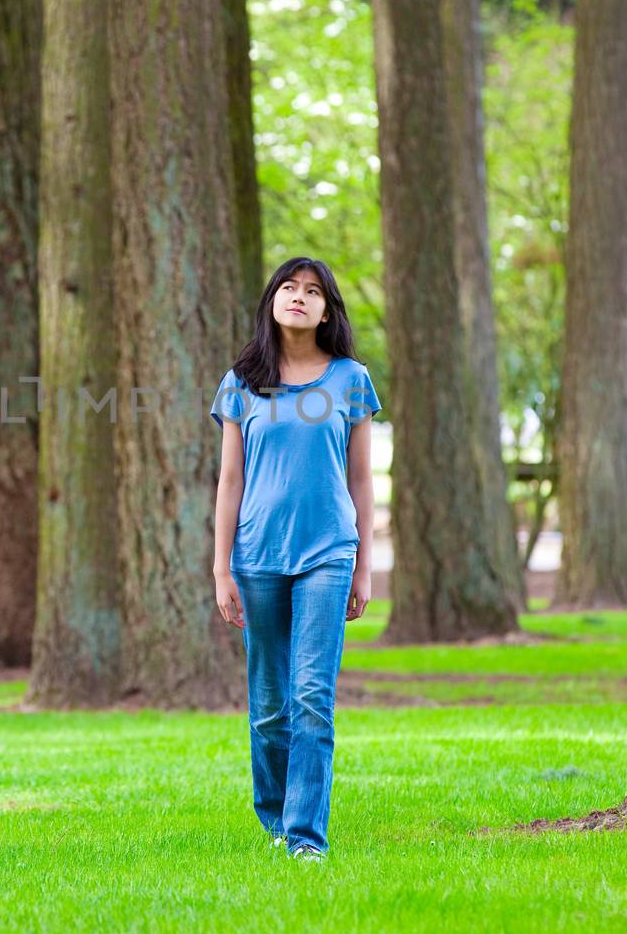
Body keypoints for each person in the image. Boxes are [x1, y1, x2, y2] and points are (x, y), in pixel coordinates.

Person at [209, 256, 382, 862]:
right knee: (269, 705)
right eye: (289, 288)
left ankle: (306, 838)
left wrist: (363, 564)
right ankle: (277, 819)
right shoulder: (242, 381)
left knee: (312, 696)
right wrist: (220, 566)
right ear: (272, 302)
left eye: (313, 291)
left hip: (328, 554)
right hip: (256, 556)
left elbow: (361, 480)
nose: (300, 297)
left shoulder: (351, 379)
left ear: (328, 309)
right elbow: (230, 481)